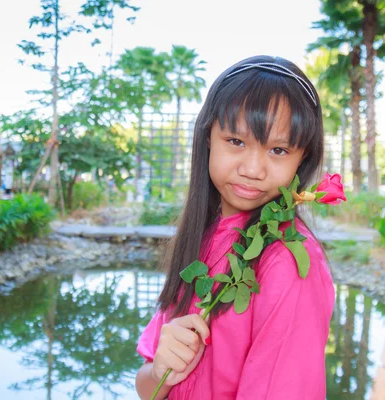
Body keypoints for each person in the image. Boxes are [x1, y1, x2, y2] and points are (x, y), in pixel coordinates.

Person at [135, 56, 333, 399]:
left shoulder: (288, 263)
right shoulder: (204, 236)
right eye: (237, 142)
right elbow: (146, 386)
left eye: (278, 149)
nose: (253, 168)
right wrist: (161, 370)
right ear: (209, 136)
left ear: (302, 158)